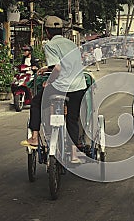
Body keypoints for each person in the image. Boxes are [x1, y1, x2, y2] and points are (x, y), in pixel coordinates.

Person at [20, 16, 87, 163]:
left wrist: (49, 82)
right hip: (78, 86)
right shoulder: (72, 44)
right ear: (62, 30)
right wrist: (47, 69)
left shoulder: (50, 45)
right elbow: (67, 64)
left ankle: (35, 137)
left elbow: (56, 67)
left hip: (61, 86)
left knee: (37, 102)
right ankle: (74, 154)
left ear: (47, 31)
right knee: (72, 119)